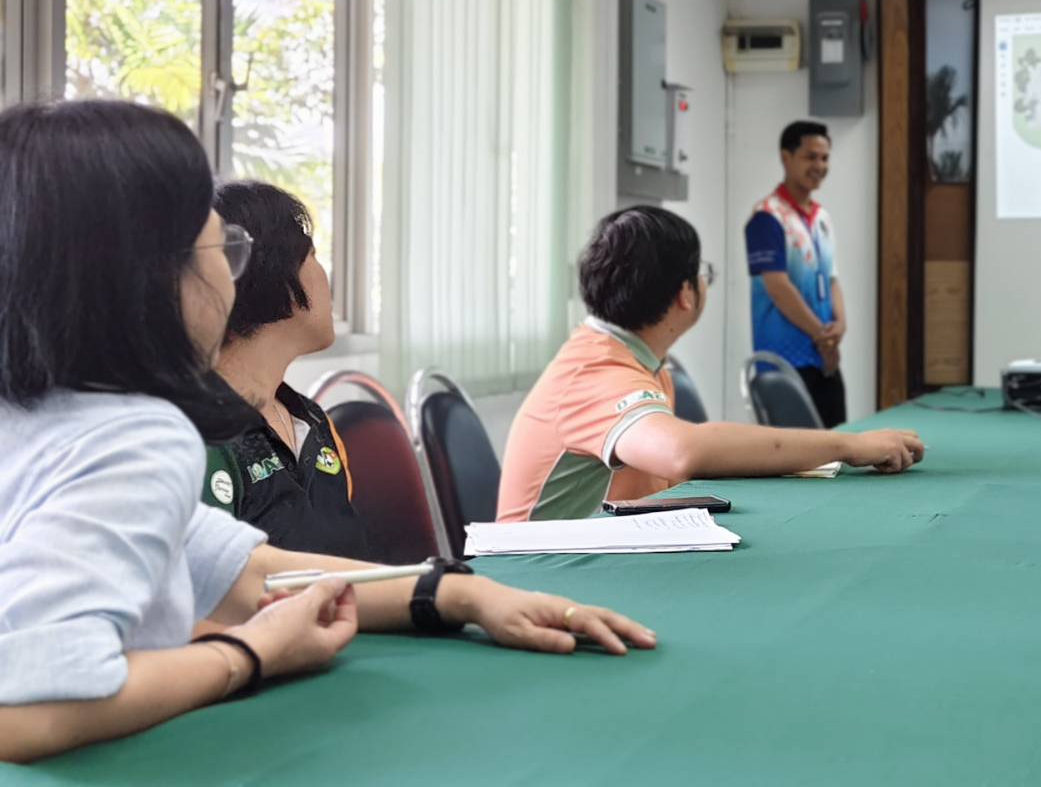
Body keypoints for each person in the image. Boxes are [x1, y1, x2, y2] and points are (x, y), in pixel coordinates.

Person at [0, 101, 654, 763]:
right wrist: (250, 653)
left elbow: (248, 571)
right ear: (145, 274)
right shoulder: (137, 436)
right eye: (221, 249)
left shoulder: (45, 419)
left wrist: (461, 593)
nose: (230, 276)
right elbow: (22, 712)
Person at [499, 205, 924, 522]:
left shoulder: (638, 360)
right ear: (685, 294)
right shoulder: (595, 372)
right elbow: (683, 452)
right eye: (702, 272)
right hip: (538, 577)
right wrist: (847, 446)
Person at [202, 181, 367, 559]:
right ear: (274, 272)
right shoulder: (202, 435)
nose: (324, 276)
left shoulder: (313, 421)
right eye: (312, 255)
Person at [744, 120, 846, 427]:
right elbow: (777, 287)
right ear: (785, 157)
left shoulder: (822, 217)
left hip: (823, 359)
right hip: (784, 363)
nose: (819, 166)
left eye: (824, 158)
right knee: (795, 453)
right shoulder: (766, 217)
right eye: (810, 157)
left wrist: (840, 326)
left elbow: (831, 279)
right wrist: (822, 336)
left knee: (837, 444)